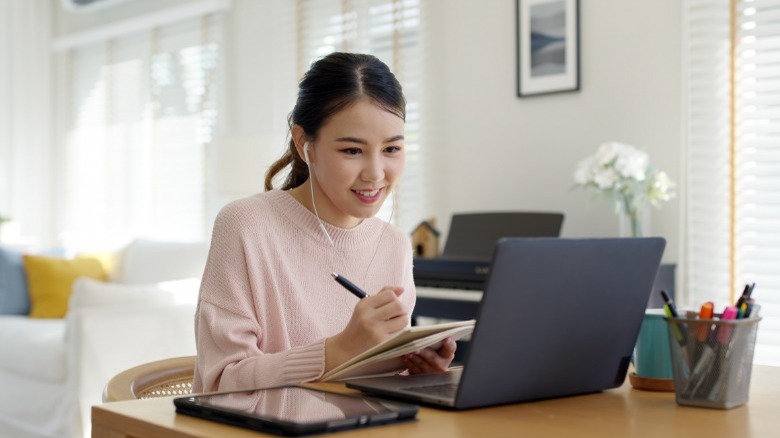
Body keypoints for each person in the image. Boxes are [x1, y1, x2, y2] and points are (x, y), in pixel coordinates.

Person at [193, 52, 456, 393]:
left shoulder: (394, 243)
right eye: (351, 151)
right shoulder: (246, 225)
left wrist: (417, 373)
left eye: (391, 149)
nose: (376, 174)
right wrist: (340, 350)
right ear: (305, 144)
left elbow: (369, 390)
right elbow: (219, 382)